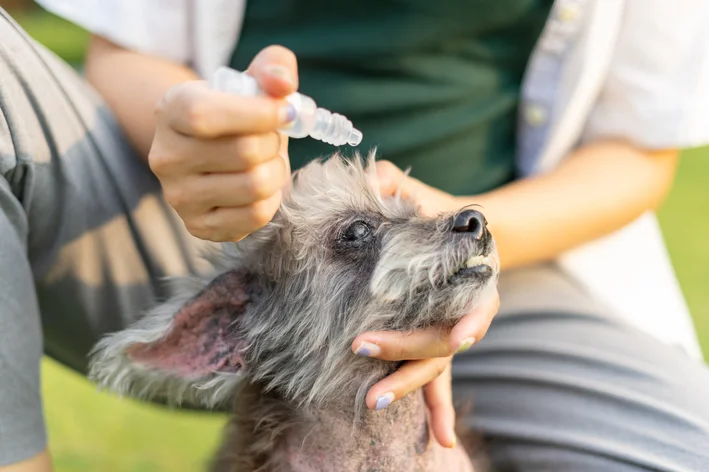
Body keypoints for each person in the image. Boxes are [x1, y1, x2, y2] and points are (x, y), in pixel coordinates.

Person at [1, 0, 709, 470]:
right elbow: (123, 49)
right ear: (216, 336)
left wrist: (477, 233)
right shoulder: (246, 304)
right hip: (181, 227)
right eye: (356, 235)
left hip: (530, 265)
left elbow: (637, 152)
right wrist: (189, 135)